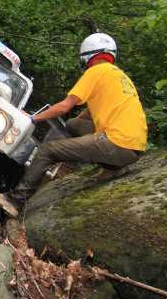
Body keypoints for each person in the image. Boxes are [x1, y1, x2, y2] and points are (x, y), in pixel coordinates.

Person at [12, 32, 148, 202]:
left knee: (47, 151)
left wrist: (32, 118)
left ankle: (17, 199)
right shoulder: (119, 76)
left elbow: (64, 106)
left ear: (88, 56)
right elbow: (89, 114)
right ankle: (103, 165)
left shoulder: (95, 72)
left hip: (116, 144)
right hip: (134, 148)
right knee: (72, 124)